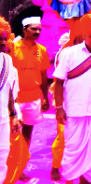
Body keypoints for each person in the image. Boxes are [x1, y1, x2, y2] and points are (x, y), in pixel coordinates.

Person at [53, 13, 91, 184]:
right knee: (72, 151)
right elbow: (58, 82)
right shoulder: (69, 54)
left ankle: (85, 182)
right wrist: (59, 108)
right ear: (84, 35)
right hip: (74, 111)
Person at [10, 16, 50, 181]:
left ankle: (20, 167)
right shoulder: (12, 48)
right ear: (24, 29)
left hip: (34, 98)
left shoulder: (41, 50)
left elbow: (43, 74)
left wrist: (45, 97)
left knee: (27, 134)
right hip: (15, 100)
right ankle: (9, 167)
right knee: (12, 135)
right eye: (34, 29)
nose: (37, 32)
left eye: (39, 29)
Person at [51, 32, 84, 181]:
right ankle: (56, 166)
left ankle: (76, 166)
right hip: (65, 99)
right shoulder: (65, 54)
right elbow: (59, 81)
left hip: (80, 100)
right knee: (63, 135)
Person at [0, 17, 19, 183]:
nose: (3, 42)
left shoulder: (7, 60)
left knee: (2, 154)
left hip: (3, 119)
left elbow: (9, 90)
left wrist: (13, 114)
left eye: (5, 38)